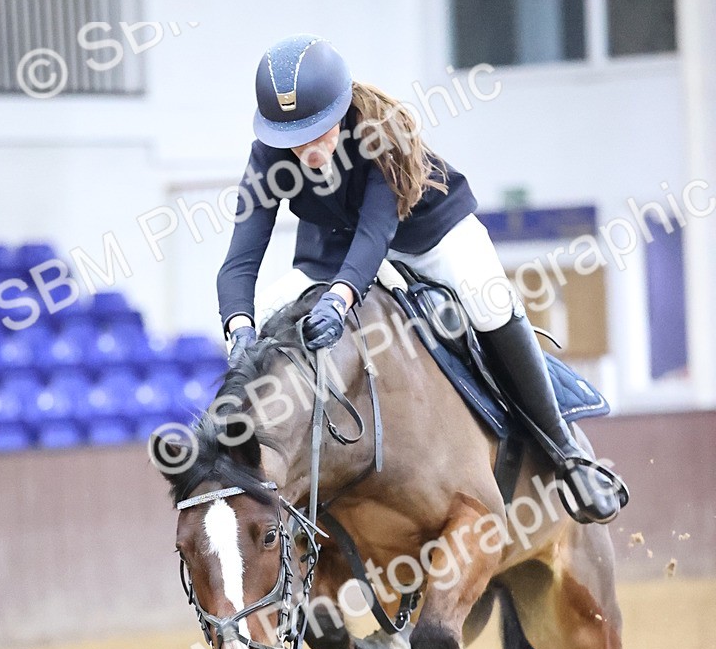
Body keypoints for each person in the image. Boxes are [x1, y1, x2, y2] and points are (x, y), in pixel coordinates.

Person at [216, 33, 624, 525]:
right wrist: (238, 328)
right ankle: (261, 487)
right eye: (293, 140)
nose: (308, 149)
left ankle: (566, 454)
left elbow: (376, 232)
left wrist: (339, 300)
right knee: (265, 327)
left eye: (318, 132)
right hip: (334, 247)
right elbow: (240, 260)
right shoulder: (269, 155)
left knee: (489, 301)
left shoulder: (379, 132)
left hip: (429, 232)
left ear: (341, 111)